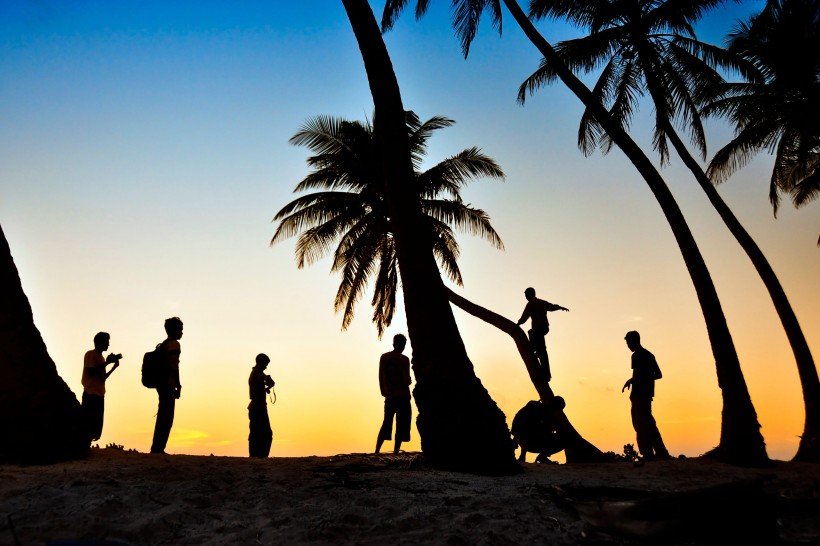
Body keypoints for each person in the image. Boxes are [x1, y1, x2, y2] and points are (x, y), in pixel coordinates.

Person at [622, 330, 670, 461]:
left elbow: (638, 375)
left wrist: (635, 380)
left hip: (640, 395)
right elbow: (657, 374)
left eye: (628, 343)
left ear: (634, 341)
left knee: (640, 425)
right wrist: (640, 379)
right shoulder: (649, 355)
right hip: (645, 394)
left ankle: (648, 453)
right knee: (648, 423)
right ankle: (660, 452)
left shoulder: (637, 356)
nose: (628, 346)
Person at [516, 287, 569, 382]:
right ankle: (534, 349)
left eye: (526, 295)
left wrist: (518, 324)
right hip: (544, 329)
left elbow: (524, 317)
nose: (525, 297)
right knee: (532, 335)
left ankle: (546, 374)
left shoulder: (531, 304)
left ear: (529, 294)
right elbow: (551, 307)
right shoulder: (540, 302)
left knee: (542, 351)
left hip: (538, 330)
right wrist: (560, 307)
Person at [150, 317, 183, 454]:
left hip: (161, 384)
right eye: (180, 329)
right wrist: (178, 385)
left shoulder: (163, 344)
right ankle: (158, 448)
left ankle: (157, 447)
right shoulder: (174, 344)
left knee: (163, 415)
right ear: (174, 330)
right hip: (168, 384)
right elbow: (174, 366)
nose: (182, 332)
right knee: (167, 417)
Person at [81, 332, 122, 442]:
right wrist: (107, 363)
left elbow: (102, 379)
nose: (108, 344)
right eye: (106, 342)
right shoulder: (90, 354)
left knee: (96, 426)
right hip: (90, 394)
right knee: (88, 423)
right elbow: (91, 371)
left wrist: (113, 367)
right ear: (99, 342)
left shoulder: (101, 358)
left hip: (99, 394)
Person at [375, 333, 412, 454]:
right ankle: (396, 451)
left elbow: (380, 376)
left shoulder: (384, 357)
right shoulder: (405, 359)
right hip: (403, 396)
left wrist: (384, 392)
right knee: (401, 425)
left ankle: (377, 451)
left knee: (386, 423)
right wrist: (409, 381)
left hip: (390, 395)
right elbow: (406, 380)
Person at [248, 353, 274, 458]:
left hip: (258, 407)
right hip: (258, 408)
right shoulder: (257, 372)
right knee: (264, 434)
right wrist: (269, 382)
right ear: (261, 362)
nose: (266, 366)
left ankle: (257, 455)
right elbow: (267, 380)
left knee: (258, 433)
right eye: (266, 364)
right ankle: (260, 456)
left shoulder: (255, 373)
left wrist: (266, 388)